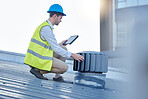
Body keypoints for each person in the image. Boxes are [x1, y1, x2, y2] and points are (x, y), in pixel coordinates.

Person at [24, 4, 84, 82]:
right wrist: (73, 55)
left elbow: (50, 46)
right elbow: (56, 48)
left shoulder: (46, 27)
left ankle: (57, 77)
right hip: (37, 59)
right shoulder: (46, 29)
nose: (61, 20)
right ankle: (38, 71)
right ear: (55, 16)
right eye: (60, 18)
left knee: (63, 48)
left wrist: (60, 44)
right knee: (64, 68)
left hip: (40, 56)